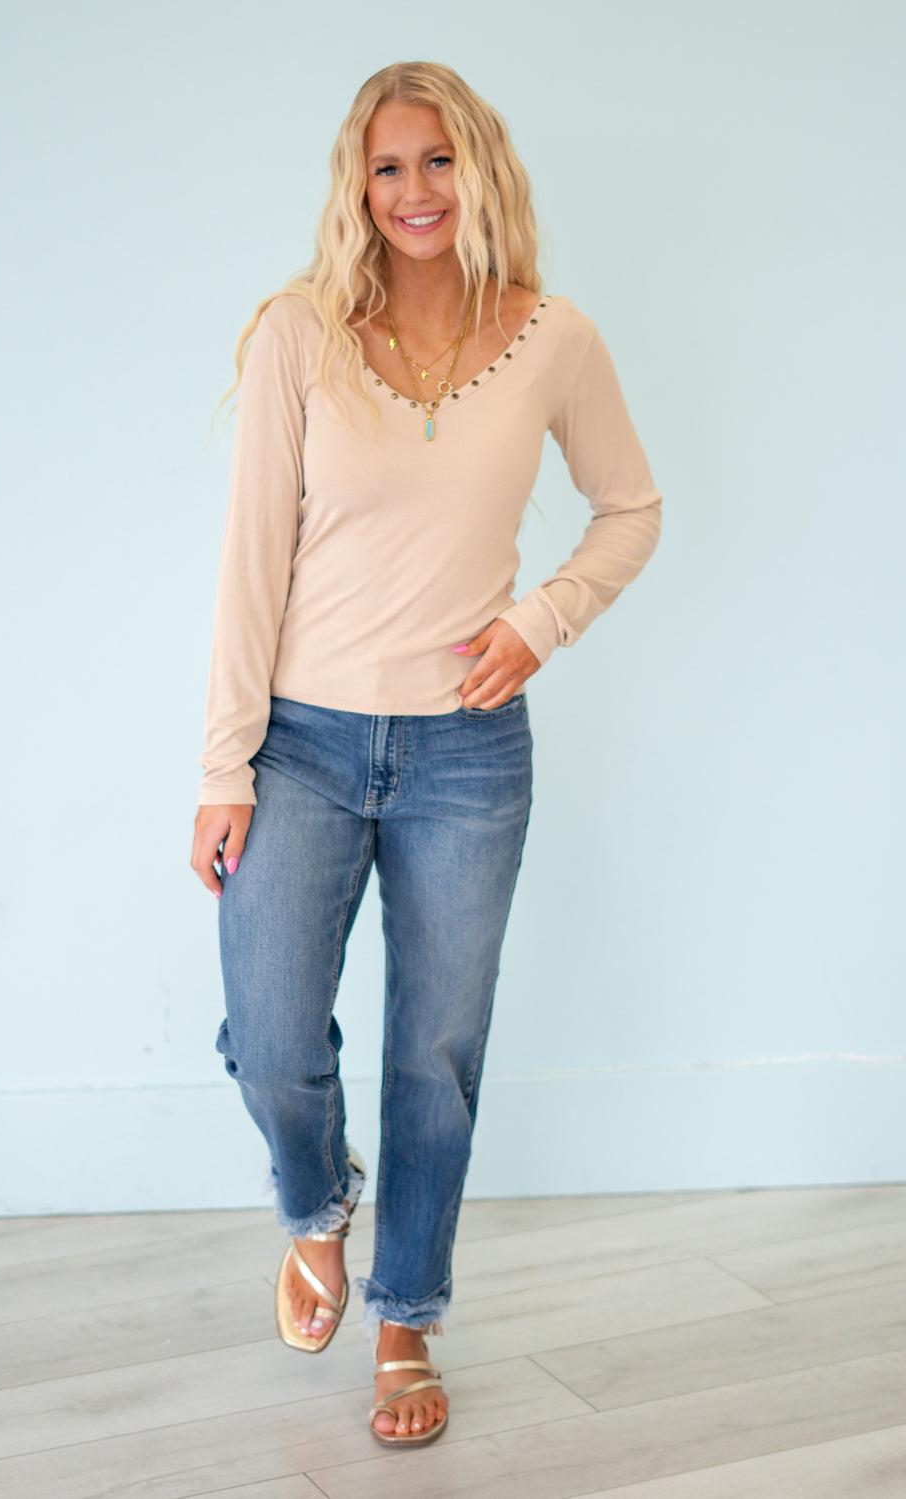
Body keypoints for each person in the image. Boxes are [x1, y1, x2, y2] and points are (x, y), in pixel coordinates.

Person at [190, 59, 662, 1448]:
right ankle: (316, 1207)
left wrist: (540, 622)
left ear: (482, 170)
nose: (415, 192)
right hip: (301, 745)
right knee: (272, 1039)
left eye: (439, 161)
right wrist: (225, 766)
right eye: (388, 167)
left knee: (437, 1052)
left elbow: (630, 508)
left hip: (469, 753)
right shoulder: (300, 333)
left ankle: (407, 1319)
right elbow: (248, 565)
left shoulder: (555, 339)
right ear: (358, 187)